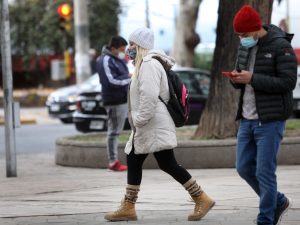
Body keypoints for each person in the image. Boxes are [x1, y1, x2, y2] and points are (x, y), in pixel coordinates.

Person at [104, 27, 215, 222]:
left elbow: (149, 97)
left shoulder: (148, 64)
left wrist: (139, 120)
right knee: (147, 160)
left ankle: (201, 198)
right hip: (151, 123)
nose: (128, 48)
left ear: (141, 46)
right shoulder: (146, 64)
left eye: (132, 44)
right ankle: (130, 206)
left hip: (151, 123)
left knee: (161, 162)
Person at [228, 5, 297, 225]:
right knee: (243, 167)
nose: (242, 39)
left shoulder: (281, 46)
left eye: (245, 34)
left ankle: (265, 219)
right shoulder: (244, 47)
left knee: (265, 172)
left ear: (257, 28)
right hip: (247, 120)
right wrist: (235, 78)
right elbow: (242, 79)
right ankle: (278, 201)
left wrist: (252, 78)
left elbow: (288, 83)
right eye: (239, 35)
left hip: (270, 120)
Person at [96, 36, 131, 171]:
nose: (123, 52)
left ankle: (114, 160)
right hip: (114, 100)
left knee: (116, 130)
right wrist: (129, 80)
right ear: (113, 48)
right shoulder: (106, 60)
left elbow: (121, 76)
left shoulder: (116, 59)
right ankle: (113, 162)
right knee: (114, 132)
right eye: (121, 49)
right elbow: (110, 81)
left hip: (121, 99)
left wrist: (127, 77)